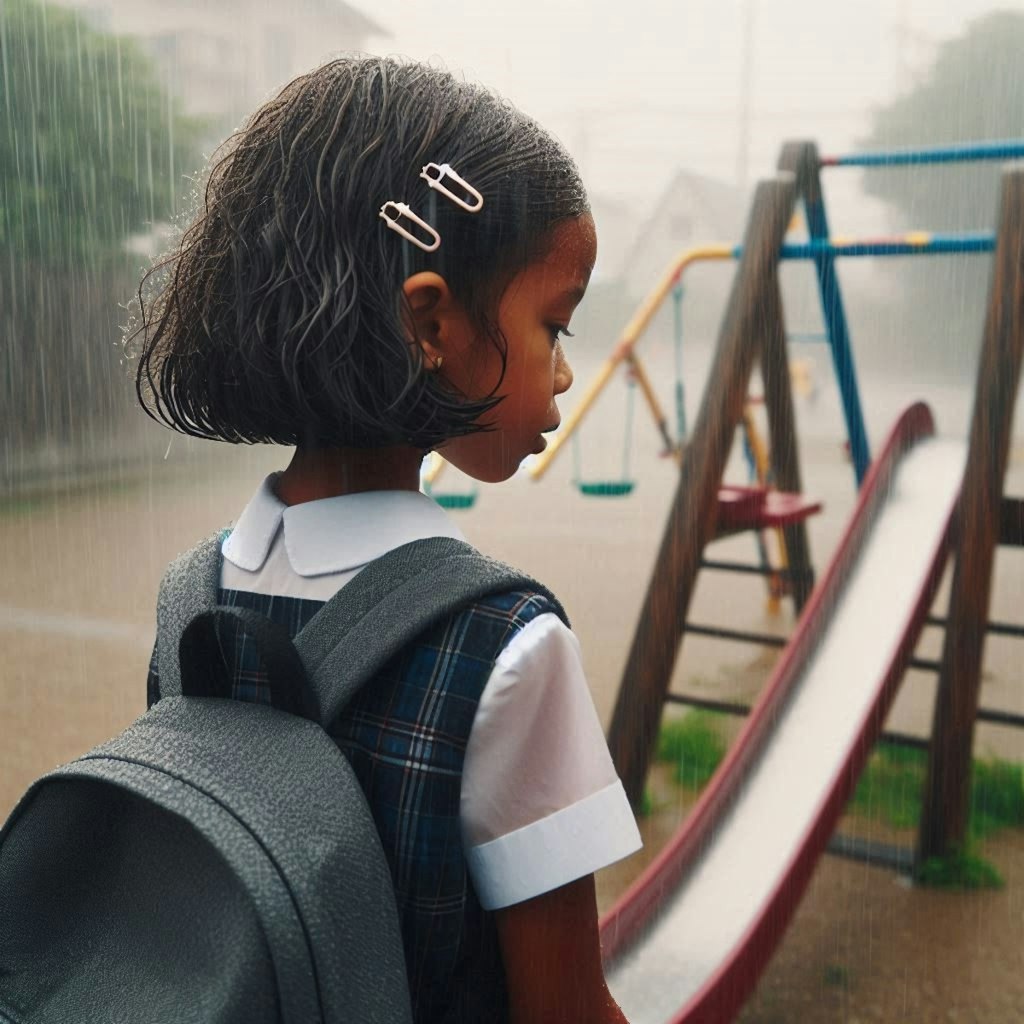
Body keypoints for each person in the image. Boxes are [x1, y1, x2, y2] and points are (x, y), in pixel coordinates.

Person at [130, 56, 640, 1024]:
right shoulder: (505, 644)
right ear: (430, 319)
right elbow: (563, 1007)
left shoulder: (189, 597)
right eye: (554, 326)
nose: (566, 378)